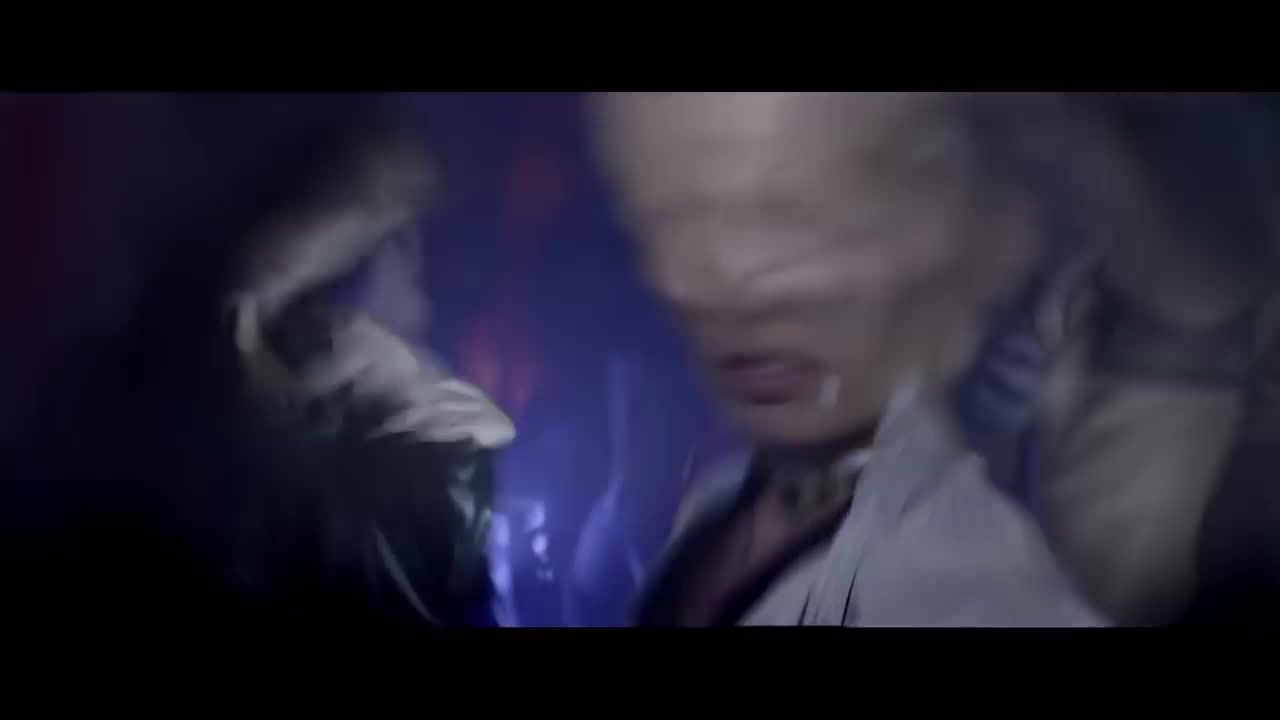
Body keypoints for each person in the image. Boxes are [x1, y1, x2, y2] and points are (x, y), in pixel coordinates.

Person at [594, 92, 1104, 627]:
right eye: (678, 220)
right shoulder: (718, 498)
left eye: (798, 217)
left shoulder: (953, 556)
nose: (732, 276)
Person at [18, 100, 514, 647]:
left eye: (409, 236)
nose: (413, 277)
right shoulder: (121, 414)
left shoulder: (422, 437)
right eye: (381, 239)